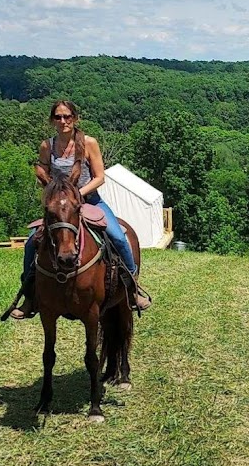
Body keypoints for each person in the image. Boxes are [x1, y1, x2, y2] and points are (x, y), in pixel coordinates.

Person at [10, 100, 152, 320]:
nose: (63, 121)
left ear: (75, 118)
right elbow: (44, 177)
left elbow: (100, 177)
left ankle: (132, 288)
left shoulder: (88, 143)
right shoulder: (47, 146)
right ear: (52, 120)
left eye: (67, 116)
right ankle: (30, 296)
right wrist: (54, 195)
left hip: (91, 201)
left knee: (119, 238)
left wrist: (78, 194)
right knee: (31, 243)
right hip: (61, 208)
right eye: (58, 117)